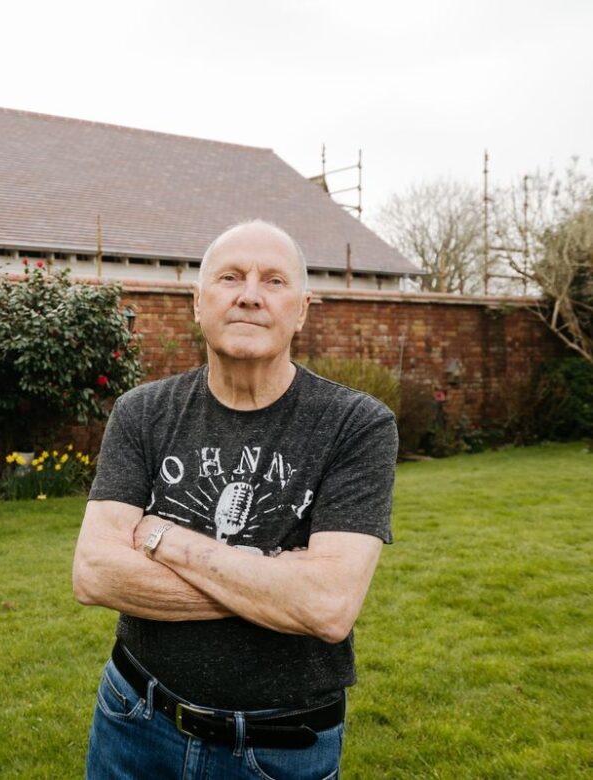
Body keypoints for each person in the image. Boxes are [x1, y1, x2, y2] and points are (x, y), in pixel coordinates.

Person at [72, 220, 397, 779]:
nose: (250, 294)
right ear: (198, 303)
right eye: (230, 277)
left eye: (273, 280)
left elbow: (326, 607)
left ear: (301, 310)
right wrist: (275, 584)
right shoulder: (142, 413)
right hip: (134, 719)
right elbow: (96, 574)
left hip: (281, 746)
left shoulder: (356, 424)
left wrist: (162, 538)